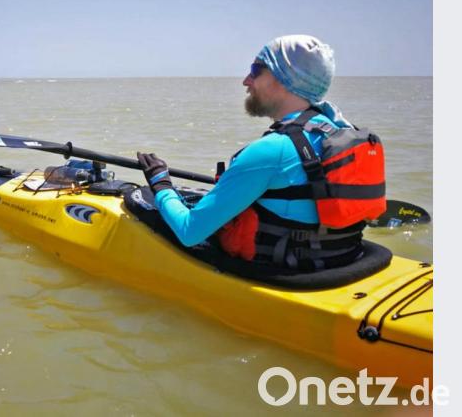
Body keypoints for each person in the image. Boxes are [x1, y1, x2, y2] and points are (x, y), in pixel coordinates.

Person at [137, 35, 385, 270]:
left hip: (290, 272)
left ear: (283, 78)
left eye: (255, 70)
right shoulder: (339, 131)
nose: (246, 80)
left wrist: (161, 183)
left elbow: (190, 232)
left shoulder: (272, 150)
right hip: (343, 258)